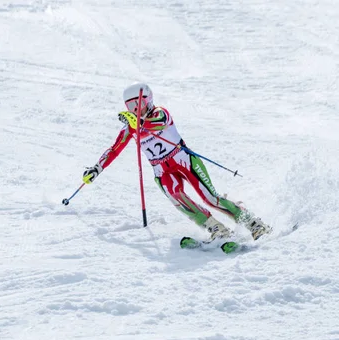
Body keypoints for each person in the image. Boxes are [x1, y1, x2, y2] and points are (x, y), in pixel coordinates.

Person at [82, 83, 271, 242]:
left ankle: (253, 222)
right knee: (176, 196)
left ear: (148, 101)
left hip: (184, 161)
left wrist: (136, 122)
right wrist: (97, 169)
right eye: (131, 107)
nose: (136, 109)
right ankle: (215, 228)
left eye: (139, 104)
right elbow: (114, 150)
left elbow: (155, 125)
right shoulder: (130, 129)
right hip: (162, 171)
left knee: (210, 198)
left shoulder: (160, 113)